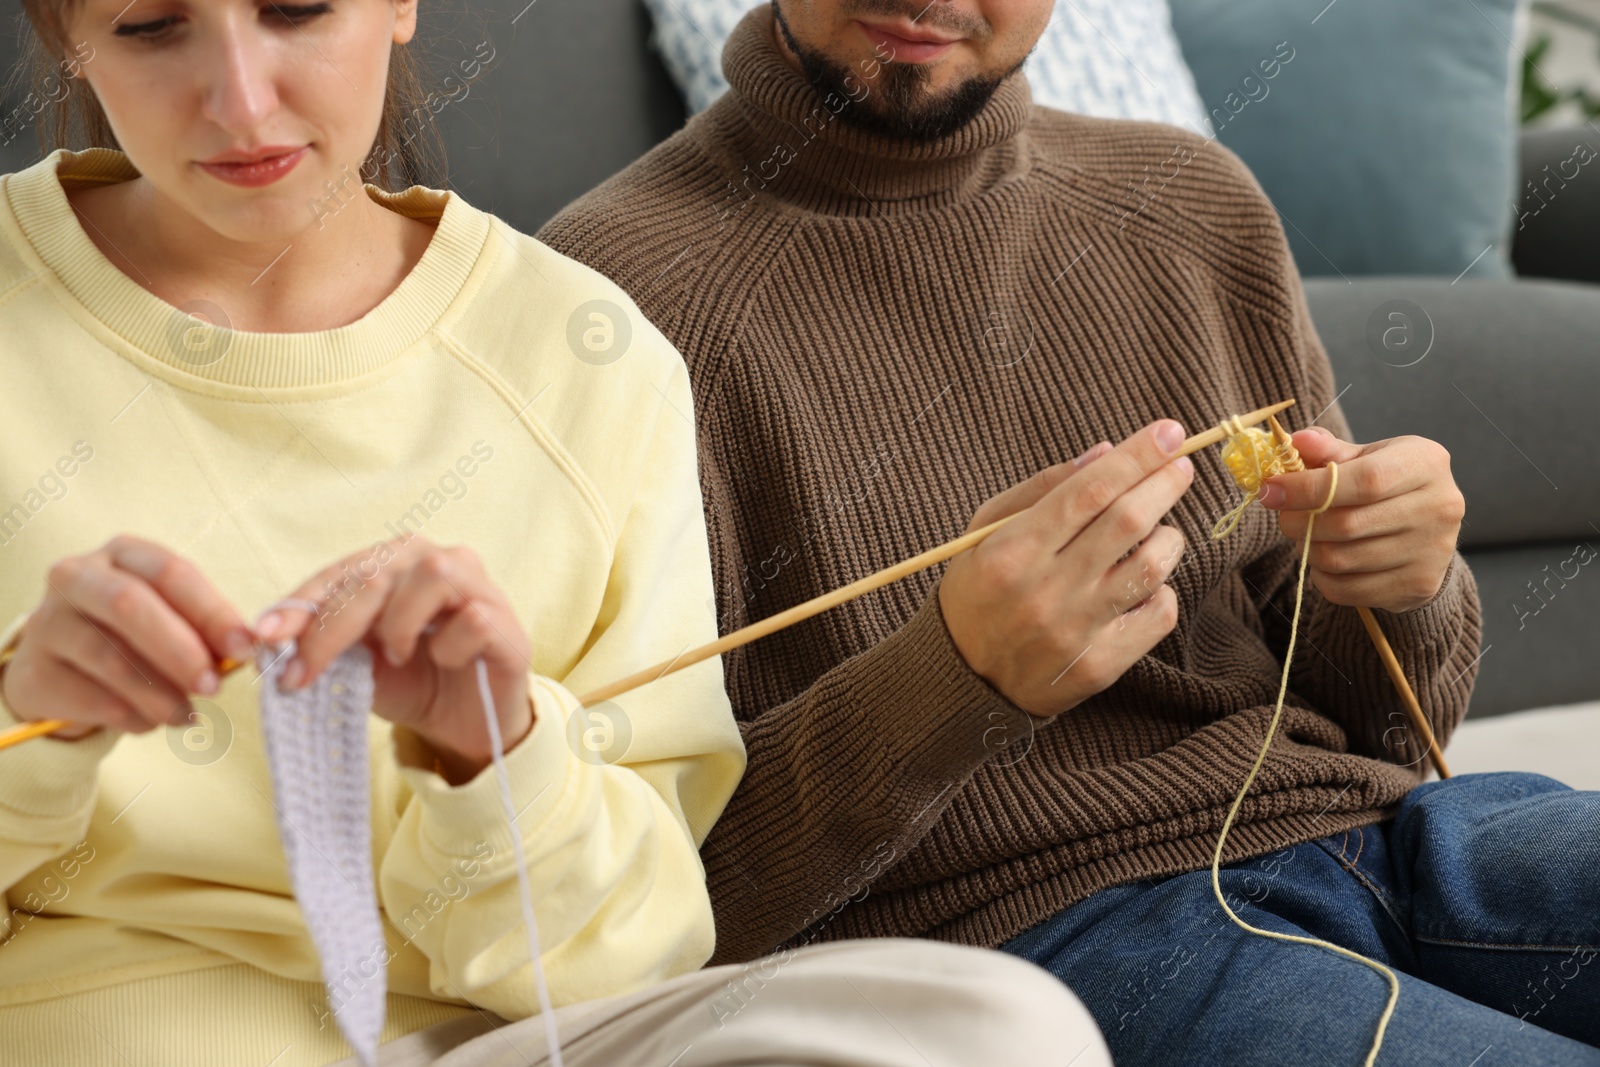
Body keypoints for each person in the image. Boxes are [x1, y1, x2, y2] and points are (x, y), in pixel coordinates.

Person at [0, 0, 1107, 1063]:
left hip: (516, 1042)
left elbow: (632, 954)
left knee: (996, 1024)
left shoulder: (589, 355)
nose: (240, 104)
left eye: (296, 10)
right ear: (67, 35)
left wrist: (498, 750)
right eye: (150, 27)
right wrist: (23, 720)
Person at [538, 1, 1600, 1063]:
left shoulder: (1194, 200)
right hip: (1044, 928)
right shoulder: (595, 308)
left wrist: (1402, 584)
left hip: (1379, 833)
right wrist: (955, 675)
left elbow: (1394, 735)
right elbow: (618, 895)